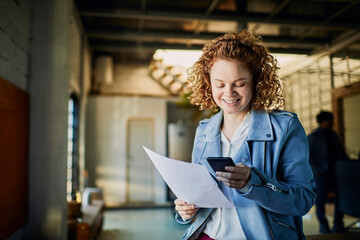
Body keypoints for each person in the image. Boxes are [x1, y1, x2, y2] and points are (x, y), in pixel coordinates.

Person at [174, 30, 316, 240]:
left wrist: (254, 183)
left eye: (240, 84)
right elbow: (198, 192)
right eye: (220, 84)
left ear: (256, 81)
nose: (229, 93)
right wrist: (186, 209)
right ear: (208, 82)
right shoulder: (204, 130)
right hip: (206, 235)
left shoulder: (285, 127)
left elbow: (303, 199)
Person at [308, 111, 349, 234]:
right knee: (320, 199)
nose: (331, 123)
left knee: (340, 198)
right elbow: (307, 157)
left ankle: (338, 223)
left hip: (336, 171)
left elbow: (340, 152)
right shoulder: (313, 137)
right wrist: (316, 170)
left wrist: (348, 164)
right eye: (329, 120)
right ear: (322, 122)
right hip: (321, 173)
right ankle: (323, 225)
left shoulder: (333, 135)